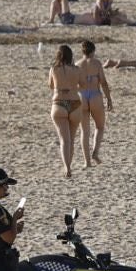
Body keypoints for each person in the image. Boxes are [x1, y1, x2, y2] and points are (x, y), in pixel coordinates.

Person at [49, 44, 86, 177]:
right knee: (71, 139)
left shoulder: (54, 68)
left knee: (64, 140)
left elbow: (50, 85)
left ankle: (67, 168)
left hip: (59, 103)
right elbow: (83, 84)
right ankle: (68, 166)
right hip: (75, 103)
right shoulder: (77, 69)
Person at [78, 39, 112, 166]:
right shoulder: (97, 64)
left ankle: (87, 162)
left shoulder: (77, 64)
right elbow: (103, 82)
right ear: (93, 51)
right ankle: (95, 152)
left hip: (81, 96)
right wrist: (109, 98)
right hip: (95, 95)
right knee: (100, 126)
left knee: (84, 131)